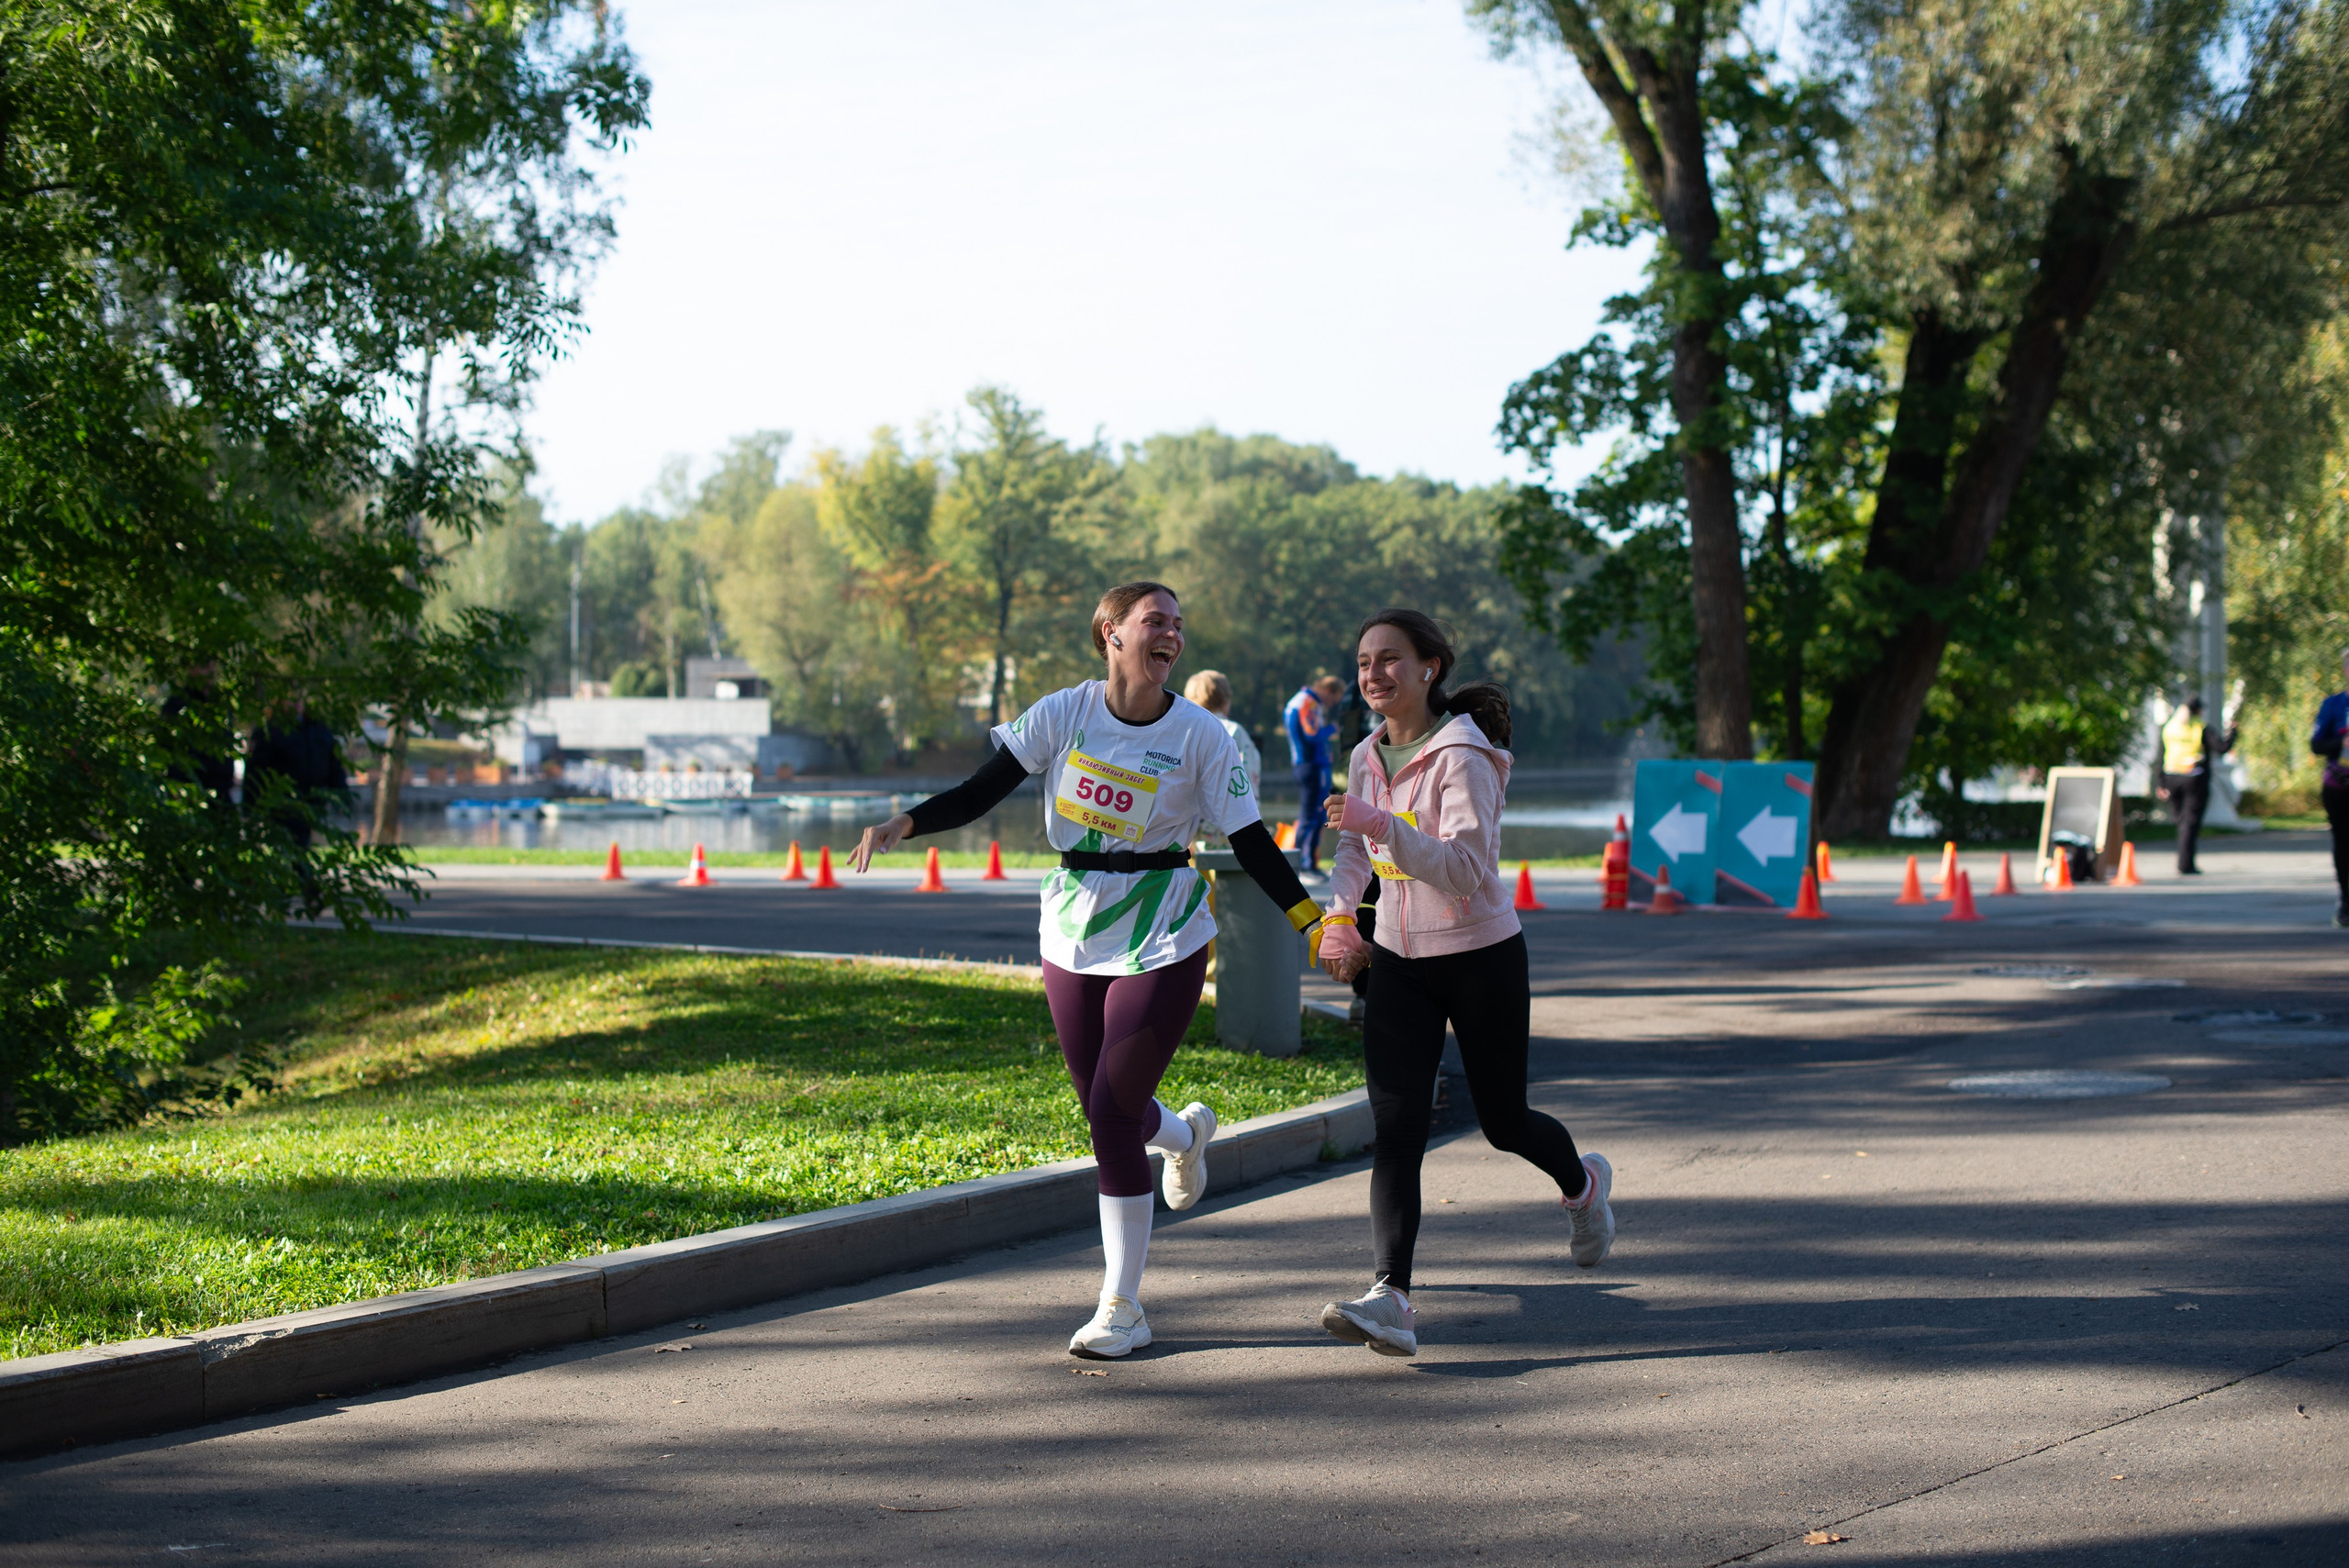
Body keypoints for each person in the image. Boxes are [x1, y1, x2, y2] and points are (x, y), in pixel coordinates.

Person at [850, 583, 1326, 1359]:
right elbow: (982, 789)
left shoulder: (1206, 737)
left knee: (1110, 1109)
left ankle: (1122, 1304)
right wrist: (904, 821)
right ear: (1111, 632)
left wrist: (1312, 922)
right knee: (1110, 1106)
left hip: (1165, 923)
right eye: (1154, 621)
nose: (1170, 633)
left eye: (1177, 623)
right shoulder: (1063, 713)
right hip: (1073, 921)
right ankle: (1185, 1135)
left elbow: (1252, 843)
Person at [1310, 608, 1613, 1358]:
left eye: (1389, 660)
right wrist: (1342, 917)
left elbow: (1465, 870)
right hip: (1399, 965)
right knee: (1398, 1127)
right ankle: (1393, 1296)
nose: (1373, 674)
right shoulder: (1365, 753)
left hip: (1480, 956)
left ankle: (1583, 1186)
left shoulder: (1464, 754)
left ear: (1428, 669)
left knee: (1505, 1120)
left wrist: (1381, 822)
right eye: (1363, 663)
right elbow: (1352, 849)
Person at [2160, 695, 2237, 875]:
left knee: (2181, 822)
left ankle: (2184, 861)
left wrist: (2160, 782)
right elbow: (2222, 748)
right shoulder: (2200, 728)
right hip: (2194, 779)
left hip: (2171, 778)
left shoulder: (2170, 727)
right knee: (2190, 824)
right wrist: (2233, 733)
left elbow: (2161, 755)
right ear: (2198, 710)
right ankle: (2185, 864)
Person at [1182, 670, 1261, 836]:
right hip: (1230, 825)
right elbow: (1247, 774)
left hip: (1191, 826)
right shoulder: (1235, 731)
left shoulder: (1187, 730)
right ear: (1226, 700)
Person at [1283, 674, 1343, 872]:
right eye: (1333, 699)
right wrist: (1331, 729)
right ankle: (1301, 865)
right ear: (1328, 690)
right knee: (1312, 816)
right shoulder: (1307, 702)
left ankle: (1305, 863)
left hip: (1305, 765)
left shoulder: (1301, 700)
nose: (1332, 704)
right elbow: (1312, 734)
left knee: (1313, 815)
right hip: (1311, 765)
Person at [2309, 650, 2349, 927]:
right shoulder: (2333, 705)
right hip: (2340, 785)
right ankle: (2346, 901)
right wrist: (2342, 745)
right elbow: (2316, 744)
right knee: (2344, 844)